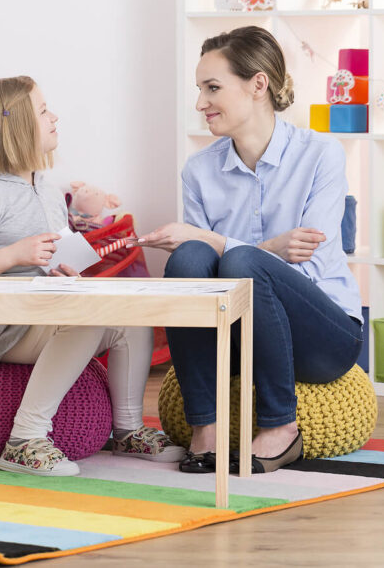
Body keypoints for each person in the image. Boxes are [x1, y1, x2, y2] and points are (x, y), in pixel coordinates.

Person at [0, 75, 184, 476]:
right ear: (11, 125)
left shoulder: (45, 188)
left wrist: (64, 268)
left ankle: (128, 430)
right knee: (85, 320)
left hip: (37, 310)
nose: (55, 117)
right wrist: (11, 255)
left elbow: (48, 259)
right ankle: (24, 440)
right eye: (43, 111)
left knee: (129, 317)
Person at [135, 26, 363, 474]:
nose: (201, 103)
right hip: (241, 335)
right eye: (200, 90)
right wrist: (268, 249)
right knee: (186, 259)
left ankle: (282, 426)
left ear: (258, 85)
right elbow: (200, 272)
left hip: (324, 336)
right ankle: (207, 427)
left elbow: (310, 260)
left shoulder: (322, 154)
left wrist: (233, 248)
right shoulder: (199, 171)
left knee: (237, 261)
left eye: (213, 88)